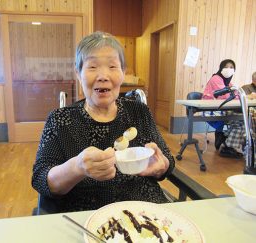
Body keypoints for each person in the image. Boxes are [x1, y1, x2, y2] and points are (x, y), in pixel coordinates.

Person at [31, 31, 175, 213]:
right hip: (87, 218)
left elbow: (166, 160)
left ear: (123, 72)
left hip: (146, 212)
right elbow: (41, 179)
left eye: (113, 67)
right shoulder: (60, 120)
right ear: (78, 72)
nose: (103, 75)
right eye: (92, 67)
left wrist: (161, 167)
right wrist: (77, 167)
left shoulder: (139, 112)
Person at [202, 59, 244, 158]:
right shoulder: (216, 78)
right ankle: (227, 146)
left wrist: (238, 95)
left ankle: (225, 141)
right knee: (241, 120)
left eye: (231, 67)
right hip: (211, 110)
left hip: (221, 109)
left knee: (243, 119)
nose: (228, 69)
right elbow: (226, 96)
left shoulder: (228, 83)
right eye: (226, 67)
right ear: (221, 68)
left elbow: (237, 93)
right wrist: (237, 95)